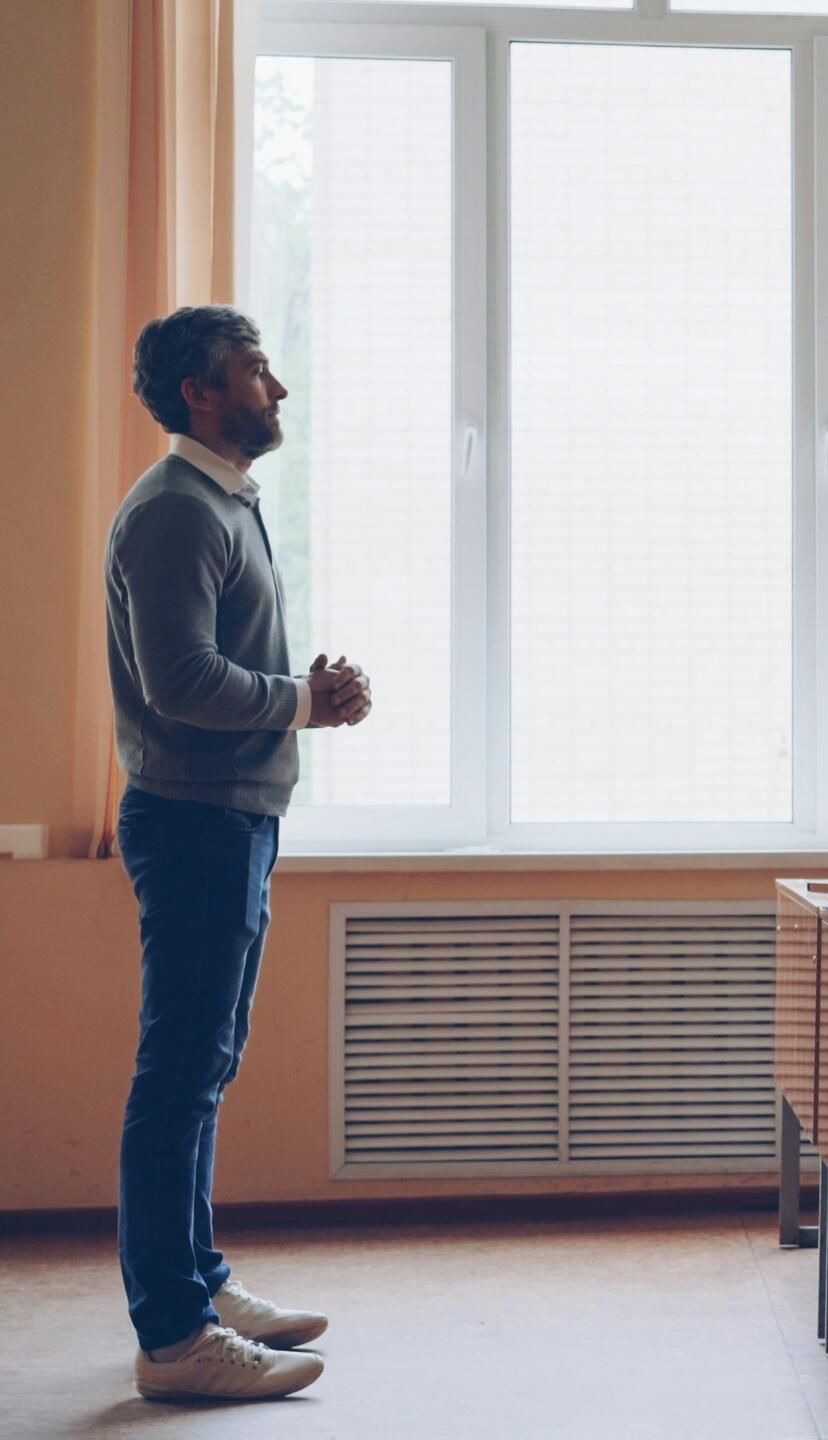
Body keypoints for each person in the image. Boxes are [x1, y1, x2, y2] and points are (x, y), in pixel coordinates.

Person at [110, 307, 371, 1401]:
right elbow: (183, 684)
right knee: (179, 1078)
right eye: (257, 373)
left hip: (231, 817)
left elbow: (216, 669)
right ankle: (173, 1336)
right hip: (197, 821)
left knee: (201, 1072)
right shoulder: (176, 511)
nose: (278, 389)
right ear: (201, 393)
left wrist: (298, 701)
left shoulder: (218, 499)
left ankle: (200, 1286)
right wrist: (308, 700)